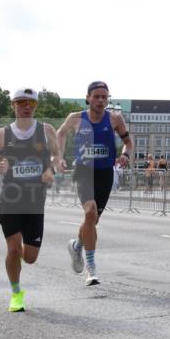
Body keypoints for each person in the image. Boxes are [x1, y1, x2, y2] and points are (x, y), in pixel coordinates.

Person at [0, 88, 59, 311]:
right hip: (10, 200)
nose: (27, 106)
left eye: (31, 103)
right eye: (22, 102)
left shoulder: (46, 131)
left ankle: (18, 267)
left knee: (30, 258)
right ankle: (16, 294)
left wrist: (51, 171)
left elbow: (57, 157)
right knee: (14, 250)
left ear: (36, 106)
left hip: (35, 201)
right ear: (13, 105)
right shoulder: (2, 133)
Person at [56, 81, 133, 286]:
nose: (100, 100)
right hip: (83, 171)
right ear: (88, 97)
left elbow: (128, 142)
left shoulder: (115, 118)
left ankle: (77, 245)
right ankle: (91, 268)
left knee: (93, 221)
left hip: (105, 173)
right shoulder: (75, 118)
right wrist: (58, 157)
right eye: (96, 96)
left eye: (104, 97)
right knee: (89, 213)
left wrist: (125, 155)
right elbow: (60, 134)